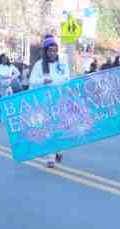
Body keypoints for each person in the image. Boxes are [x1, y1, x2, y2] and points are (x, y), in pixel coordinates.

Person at [29, 34, 71, 168]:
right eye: (50, 50)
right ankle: (51, 157)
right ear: (45, 52)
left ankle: (58, 150)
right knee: (48, 127)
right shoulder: (39, 65)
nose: (52, 53)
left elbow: (67, 79)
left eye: (54, 50)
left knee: (59, 126)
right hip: (45, 101)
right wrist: (43, 81)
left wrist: (64, 85)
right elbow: (32, 81)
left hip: (59, 99)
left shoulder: (62, 64)